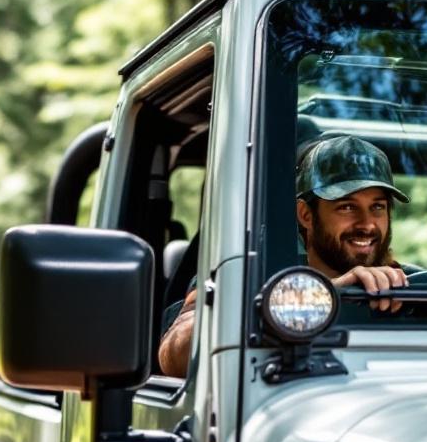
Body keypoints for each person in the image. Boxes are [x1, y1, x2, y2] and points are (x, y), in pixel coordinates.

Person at [158, 135, 411, 377]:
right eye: (346, 207)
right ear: (305, 215)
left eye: (378, 207)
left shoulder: (412, 285)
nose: (367, 224)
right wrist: (321, 296)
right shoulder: (250, 277)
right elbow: (175, 355)